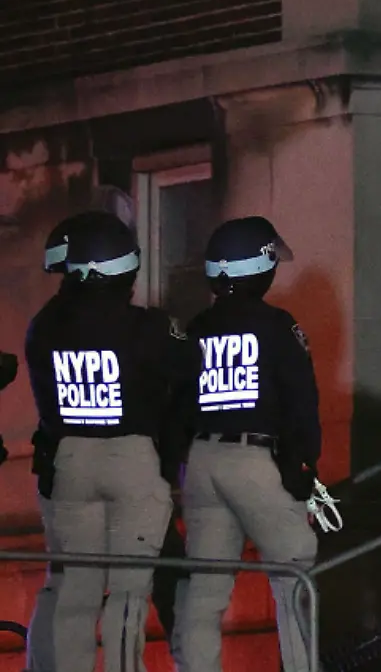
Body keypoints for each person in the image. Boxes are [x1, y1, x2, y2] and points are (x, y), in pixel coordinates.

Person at [24, 213, 194, 672]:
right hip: (133, 458)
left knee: (73, 590)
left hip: (70, 463)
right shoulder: (149, 328)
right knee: (129, 591)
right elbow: (190, 374)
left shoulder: (44, 327)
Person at [172, 216, 322, 672]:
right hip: (256, 460)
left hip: (201, 461)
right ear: (260, 267)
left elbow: (175, 403)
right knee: (295, 572)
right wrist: (302, 465)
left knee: (204, 590)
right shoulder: (278, 326)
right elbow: (300, 400)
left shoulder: (194, 328)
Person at [24, 213, 89, 672]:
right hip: (83, 464)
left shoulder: (45, 323)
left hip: (56, 465)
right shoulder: (85, 322)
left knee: (62, 580)